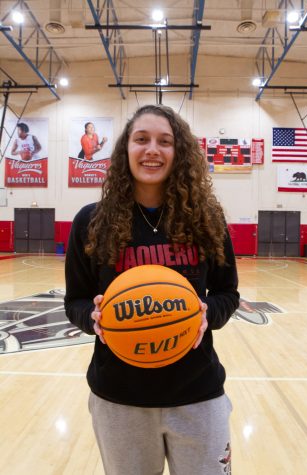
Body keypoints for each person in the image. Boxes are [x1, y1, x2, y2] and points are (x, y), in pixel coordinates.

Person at [64, 104, 240, 475]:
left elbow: (228, 293)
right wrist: (92, 318)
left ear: (180, 154)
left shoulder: (206, 219)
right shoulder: (90, 222)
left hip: (198, 393)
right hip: (119, 397)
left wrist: (209, 313)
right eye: (141, 139)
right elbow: (75, 301)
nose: (152, 150)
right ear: (125, 148)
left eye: (165, 141)